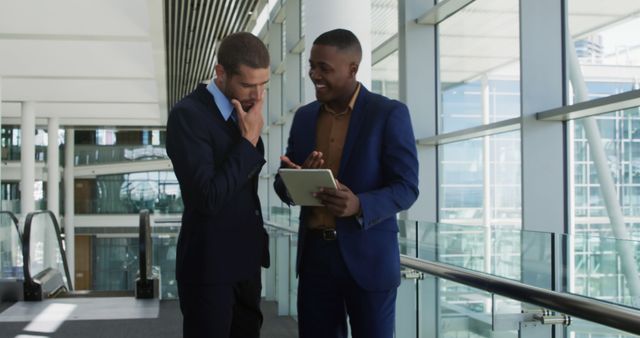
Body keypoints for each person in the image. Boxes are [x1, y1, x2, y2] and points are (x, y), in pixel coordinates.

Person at [274, 28, 419, 338]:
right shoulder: (304, 117)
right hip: (315, 258)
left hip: (369, 257)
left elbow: (407, 187)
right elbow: (283, 182)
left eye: (323, 67)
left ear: (353, 68)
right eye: (311, 65)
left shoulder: (388, 114)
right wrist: (294, 180)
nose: (314, 74)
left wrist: (359, 205)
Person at [166, 32, 270, 338]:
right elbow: (207, 196)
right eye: (248, 85)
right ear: (220, 73)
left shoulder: (244, 114)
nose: (257, 95)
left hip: (246, 264)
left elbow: (243, 189)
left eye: (263, 84)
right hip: (209, 267)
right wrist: (249, 142)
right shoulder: (188, 116)